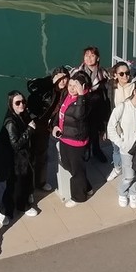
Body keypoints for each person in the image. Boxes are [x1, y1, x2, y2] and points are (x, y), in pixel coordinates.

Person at [107, 83, 136, 208]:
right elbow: (110, 127)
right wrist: (120, 143)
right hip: (127, 148)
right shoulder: (122, 107)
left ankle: (134, 192)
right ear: (135, 91)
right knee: (128, 176)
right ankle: (122, 192)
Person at [26, 68, 68, 192]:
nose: (62, 81)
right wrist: (50, 81)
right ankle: (28, 188)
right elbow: (31, 86)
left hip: (45, 126)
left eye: (65, 78)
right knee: (28, 156)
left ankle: (40, 182)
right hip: (32, 123)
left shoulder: (65, 92)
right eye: (59, 78)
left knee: (42, 155)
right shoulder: (46, 87)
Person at [53, 74, 91, 208]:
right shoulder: (66, 95)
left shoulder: (85, 101)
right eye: (70, 85)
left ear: (83, 87)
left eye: (76, 86)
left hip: (76, 141)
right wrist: (55, 126)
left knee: (76, 170)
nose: (72, 88)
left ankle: (79, 197)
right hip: (64, 138)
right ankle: (86, 186)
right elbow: (60, 112)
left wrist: (81, 95)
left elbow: (79, 115)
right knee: (67, 164)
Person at [0, 91, 37, 221]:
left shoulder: (22, 115)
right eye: (17, 103)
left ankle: (23, 205)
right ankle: (4, 210)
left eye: (23, 102)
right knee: (14, 186)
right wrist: (29, 130)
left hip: (24, 158)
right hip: (15, 160)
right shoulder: (10, 122)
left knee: (24, 182)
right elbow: (15, 144)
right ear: (11, 104)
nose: (22, 105)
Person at [71, 46, 111, 163]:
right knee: (82, 130)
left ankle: (96, 150)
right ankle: (84, 150)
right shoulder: (76, 72)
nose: (89, 58)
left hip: (96, 107)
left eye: (92, 55)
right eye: (86, 56)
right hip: (81, 105)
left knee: (94, 130)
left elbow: (108, 91)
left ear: (98, 58)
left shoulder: (104, 73)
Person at [106, 61, 136, 182]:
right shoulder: (111, 87)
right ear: (115, 75)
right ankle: (117, 168)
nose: (125, 76)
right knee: (116, 149)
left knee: (132, 148)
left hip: (131, 125)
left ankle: (131, 170)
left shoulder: (135, 86)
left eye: (127, 73)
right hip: (117, 125)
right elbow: (107, 106)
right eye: (121, 74)